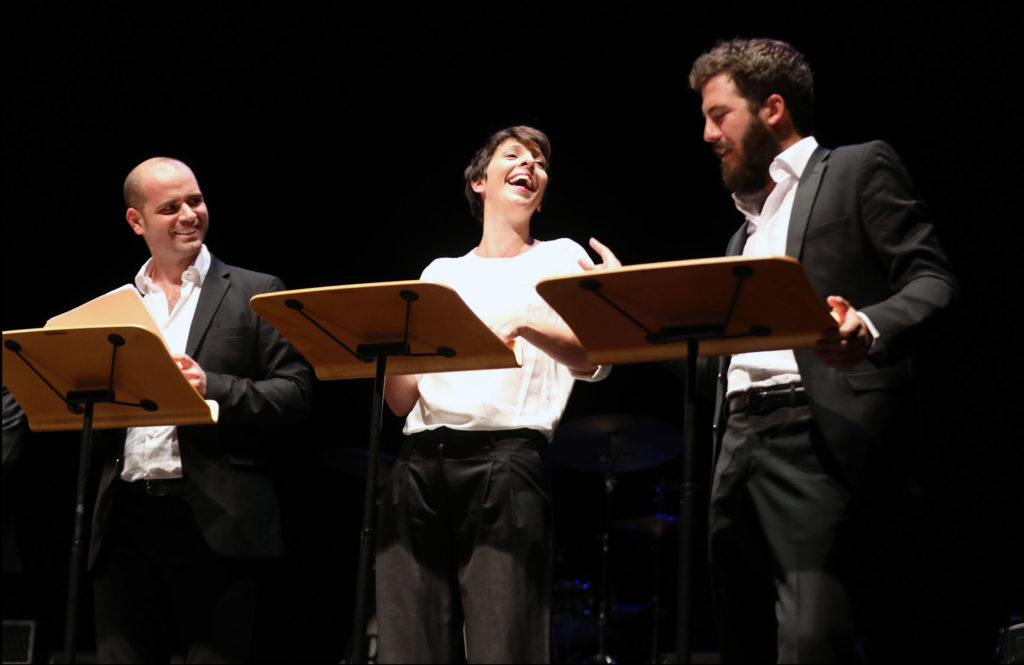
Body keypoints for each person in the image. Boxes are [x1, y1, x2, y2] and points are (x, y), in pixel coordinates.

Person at [683, 39, 957, 662]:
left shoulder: (858, 168)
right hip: (736, 442)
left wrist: (867, 324)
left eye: (718, 114)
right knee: (738, 636)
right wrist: (637, 317)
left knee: (810, 637)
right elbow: (712, 363)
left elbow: (934, 280)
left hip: (815, 432)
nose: (706, 133)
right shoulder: (740, 235)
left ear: (772, 108)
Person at [375, 125, 616, 663]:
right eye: (515, 155)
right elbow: (400, 402)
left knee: (502, 641)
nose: (531, 164)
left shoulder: (558, 256)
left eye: (540, 162)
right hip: (418, 462)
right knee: (408, 643)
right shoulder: (441, 271)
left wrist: (527, 321)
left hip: (504, 461)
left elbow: (595, 359)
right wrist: (387, 348)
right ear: (479, 181)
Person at [87, 157, 313, 663]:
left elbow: (296, 392)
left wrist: (213, 386)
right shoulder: (114, 307)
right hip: (125, 520)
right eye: (170, 207)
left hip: (216, 521)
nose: (190, 214)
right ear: (136, 221)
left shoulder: (256, 292)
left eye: (195, 200)